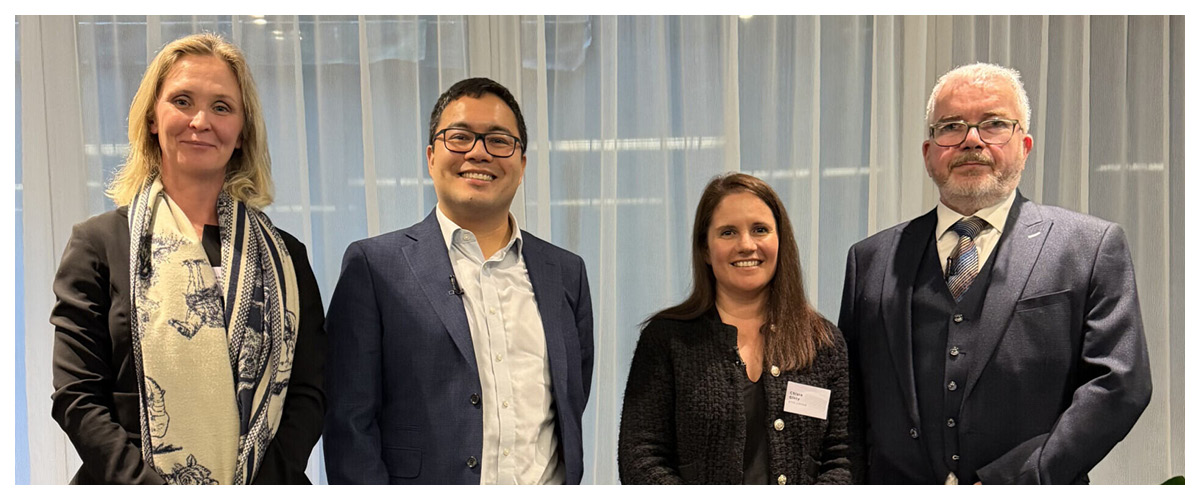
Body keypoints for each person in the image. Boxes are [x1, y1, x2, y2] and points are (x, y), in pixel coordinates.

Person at [838, 62, 1152, 485]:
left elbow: (1119, 383)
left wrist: (1018, 479)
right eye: (951, 126)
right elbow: (850, 399)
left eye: (994, 124)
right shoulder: (870, 260)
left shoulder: (1089, 247)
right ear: (928, 153)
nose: (972, 140)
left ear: (1024, 145)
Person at [49, 33, 326, 485]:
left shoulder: (286, 258)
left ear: (242, 133)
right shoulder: (98, 245)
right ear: (152, 119)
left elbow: (309, 394)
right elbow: (77, 397)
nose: (201, 121)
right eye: (182, 101)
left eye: (222, 107)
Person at [323, 77, 594, 485]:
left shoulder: (566, 273)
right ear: (431, 156)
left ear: (522, 165)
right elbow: (348, 424)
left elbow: (572, 401)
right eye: (460, 137)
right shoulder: (374, 267)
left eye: (499, 141)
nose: (479, 152)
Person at [618, 173, 851, 485]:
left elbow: (841, 458)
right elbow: (641, 458)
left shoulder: (823, 344)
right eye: (728, 232)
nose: (746, 245)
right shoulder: (667, 340)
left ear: (780, 240)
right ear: (705, 249)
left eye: (760, 230)